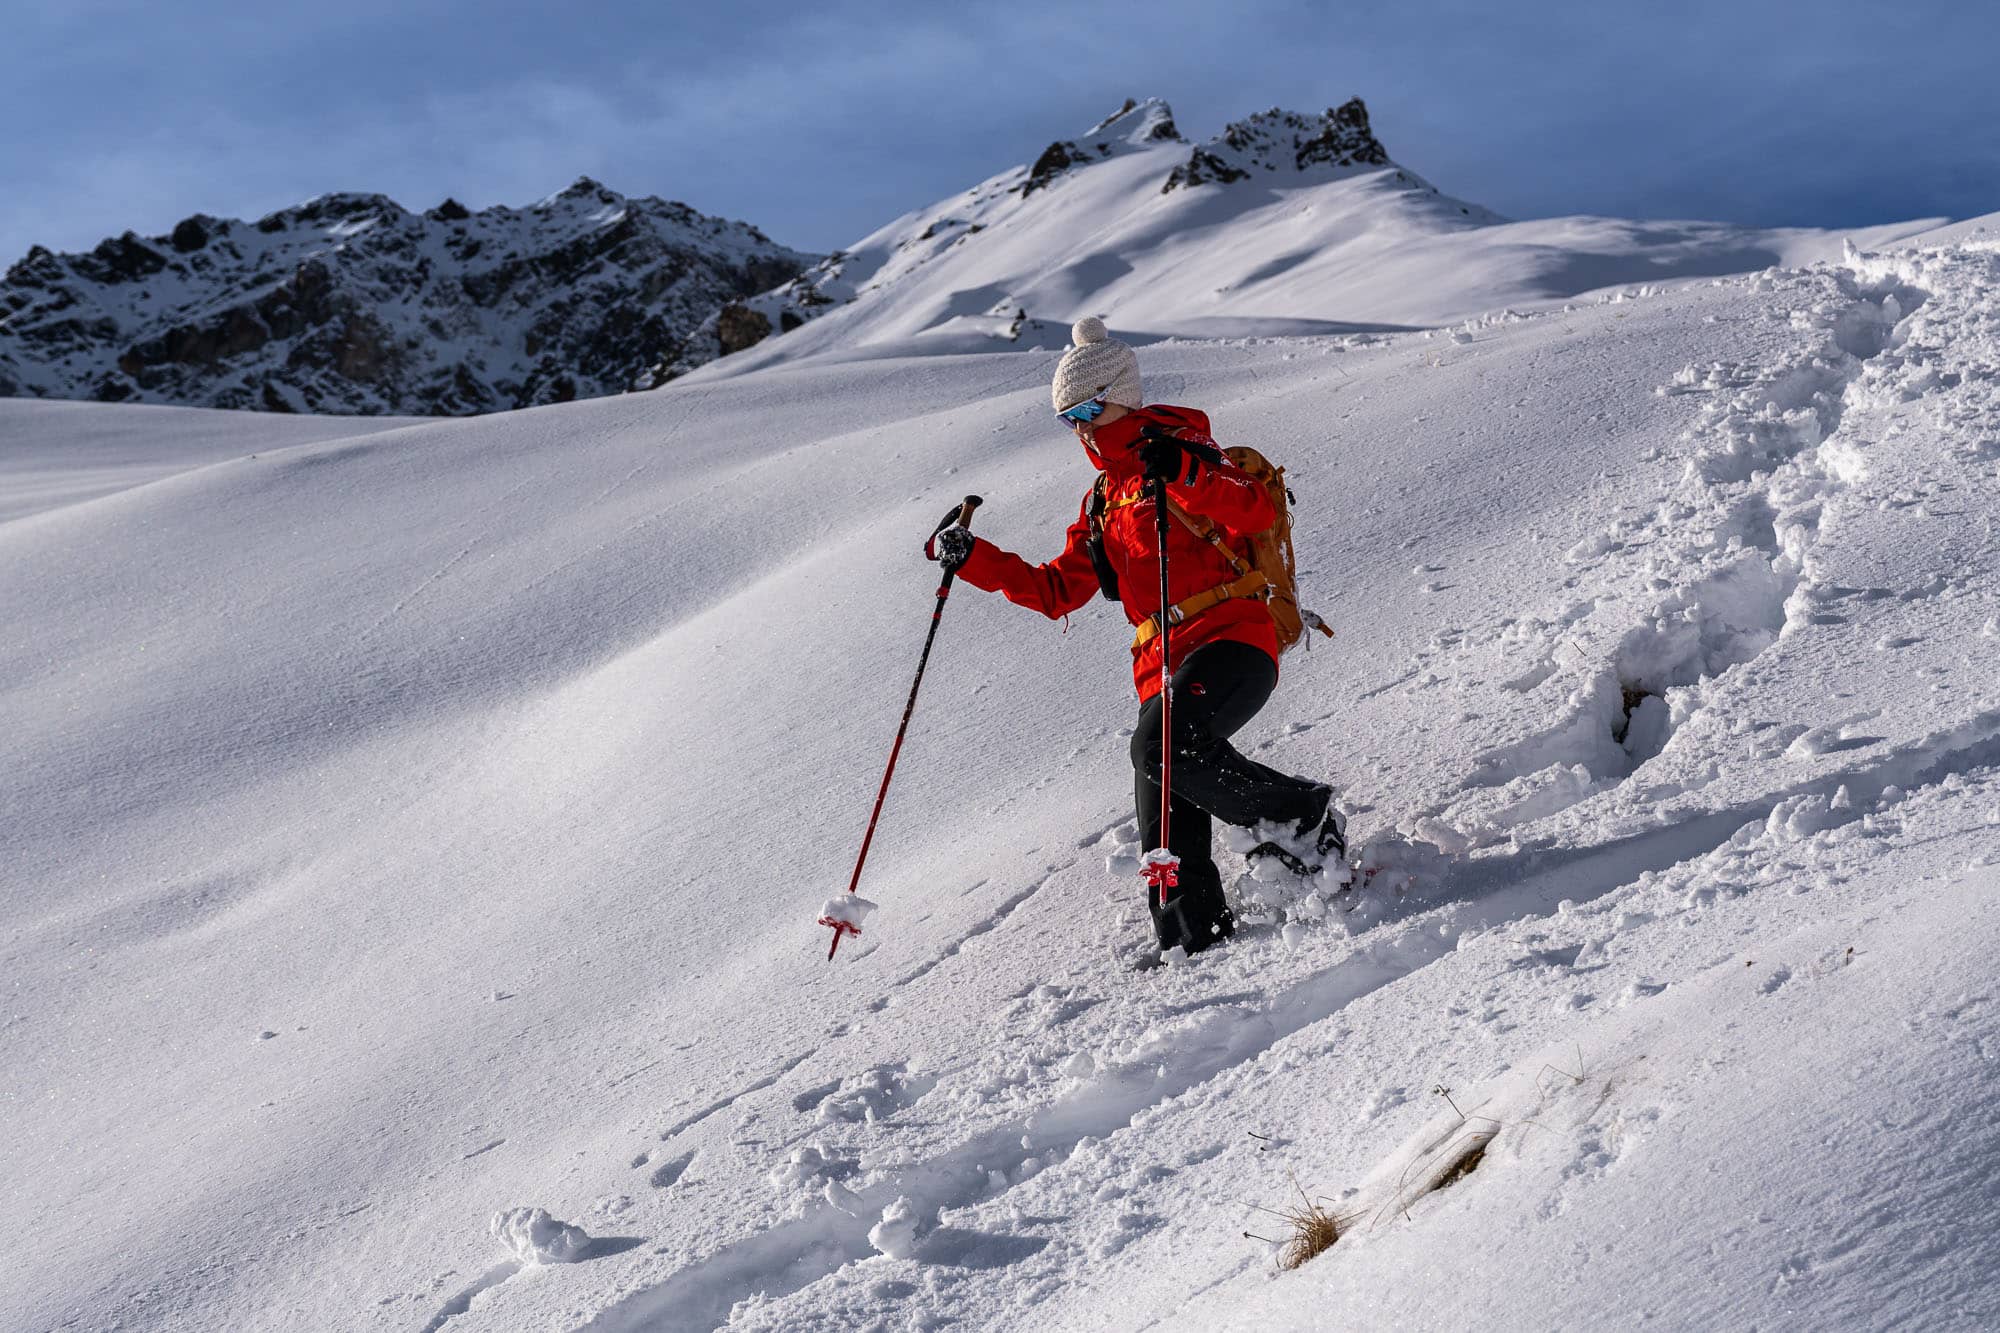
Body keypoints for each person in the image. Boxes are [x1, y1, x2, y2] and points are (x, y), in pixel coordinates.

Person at [925, 317, 1345, 956]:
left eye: (1091, 409)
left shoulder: (1189, 451)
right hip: (1160, 666)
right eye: (1069, 418)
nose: (1083, 428)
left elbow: (1252, 507)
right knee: (1163, 831)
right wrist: (972, 557)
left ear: (1124, 394)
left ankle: (1300, 819)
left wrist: (1183, 472)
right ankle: (1192, 944)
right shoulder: (1102, 500)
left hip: (1233, 638)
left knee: (1159, 745)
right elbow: (1054, 591)